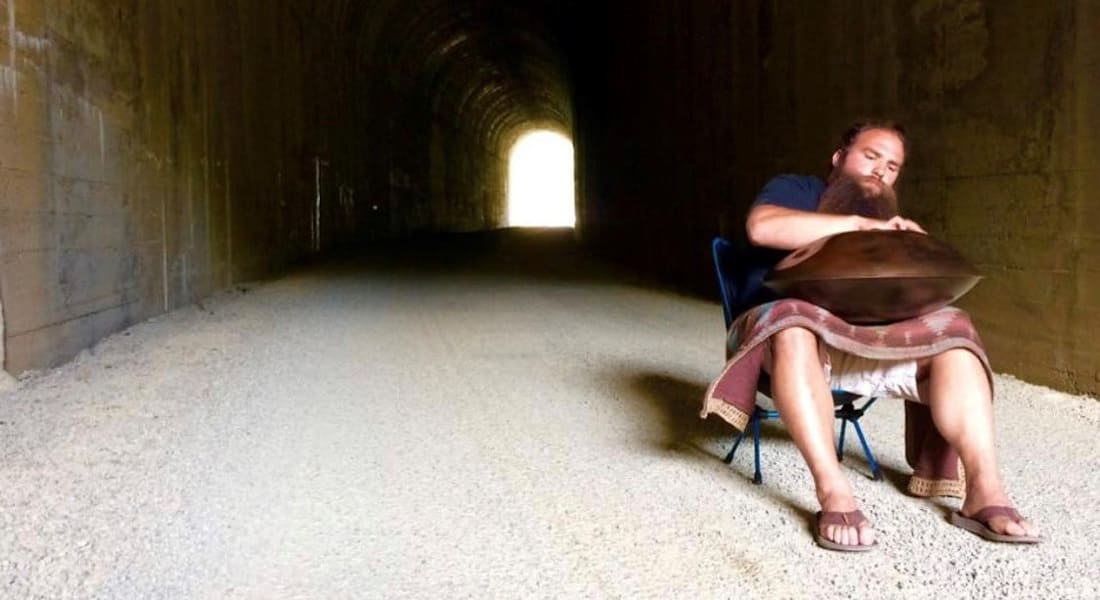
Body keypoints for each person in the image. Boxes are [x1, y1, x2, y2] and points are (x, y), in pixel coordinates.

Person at [742, 121, 1041, 550]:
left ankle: (985, 490)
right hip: (792, 338)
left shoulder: (890, 220)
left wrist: (915, 251)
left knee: (955, 331)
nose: (881, 170)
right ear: (839, 158)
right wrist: (860, 228)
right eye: (870, 156)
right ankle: (833, 492)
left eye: (892, 165)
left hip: (870, 338)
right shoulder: (799, 191)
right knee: (793, 325)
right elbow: (762, 229)